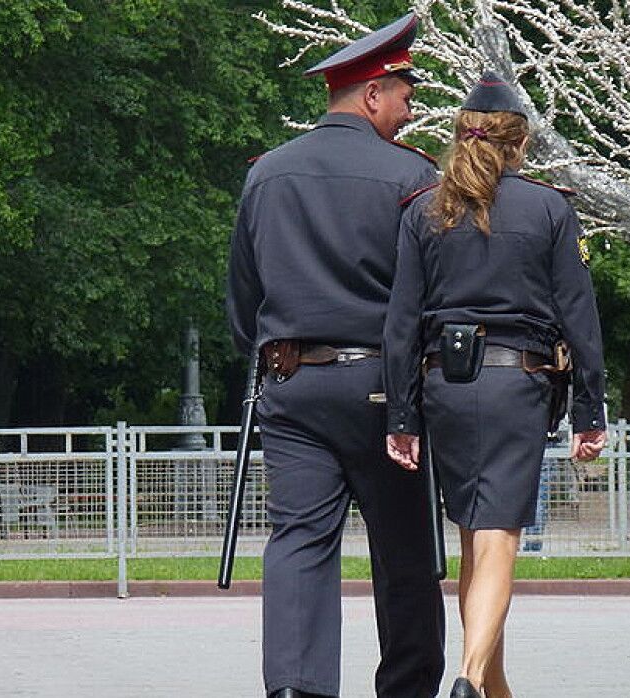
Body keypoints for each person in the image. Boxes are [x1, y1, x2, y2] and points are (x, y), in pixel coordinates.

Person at [226, 12, 445, 698]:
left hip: (291, 382)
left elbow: (243, 292)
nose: (410, 114)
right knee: (404, 547)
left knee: (297, 539)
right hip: (387, 388)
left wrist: (270, 355)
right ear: (373, 93)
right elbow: (432, 293)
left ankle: (295, 687)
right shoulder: (413, 177)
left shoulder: (268, 175)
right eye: (406, 98)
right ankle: (406, 687)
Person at [382, 73, 607, 698]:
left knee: (472, 538)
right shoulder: (550, 208)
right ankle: (468, 676)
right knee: (500, 534)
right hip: (518, 387)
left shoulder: (426, 210)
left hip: (443, 389)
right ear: (521, 145)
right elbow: (579, 317)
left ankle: (494, 684)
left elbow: (401, 323)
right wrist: (590, 408)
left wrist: (401, 416)